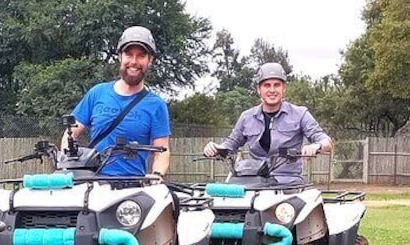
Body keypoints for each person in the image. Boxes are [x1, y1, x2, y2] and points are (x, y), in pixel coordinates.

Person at [61, 25, 171, 178]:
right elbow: (70, 134)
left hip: (132, 189)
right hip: (92, 184)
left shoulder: (156, 105)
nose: (134, 61)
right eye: (128, 54)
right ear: (120, 56)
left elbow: (162, 151)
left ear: (150, 60)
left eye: (141, 56)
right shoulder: (97, 93)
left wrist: (156, 175)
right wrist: (67, 165)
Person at [203, 62, 333, 184]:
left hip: (288, 184)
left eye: (277, 85)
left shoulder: (300, 114)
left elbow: (326, 142)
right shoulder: (246, 117)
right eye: (267, 85)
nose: (272, 90)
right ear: (258, 89)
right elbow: (231, 144)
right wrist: (216, 148)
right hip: (255, 182)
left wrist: (316, 146)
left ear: (284, 88)